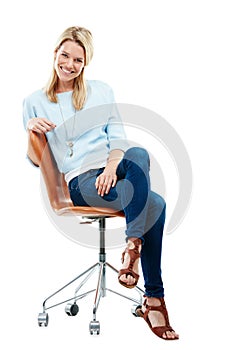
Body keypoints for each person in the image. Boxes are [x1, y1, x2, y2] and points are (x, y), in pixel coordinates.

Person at [23, 26, 179, 340]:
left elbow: (117, 137)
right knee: (157, 204)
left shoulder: (101, 90)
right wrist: (31, 129)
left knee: (138, 152)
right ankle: (153, 297)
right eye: (65, 55)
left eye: (78, 60)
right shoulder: (34, 101)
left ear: (85, 64)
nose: (69, 64)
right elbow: (34, 159)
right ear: (55, 53)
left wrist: (110, 167)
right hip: (80, 180)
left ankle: (132, 247)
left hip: (113, 168)